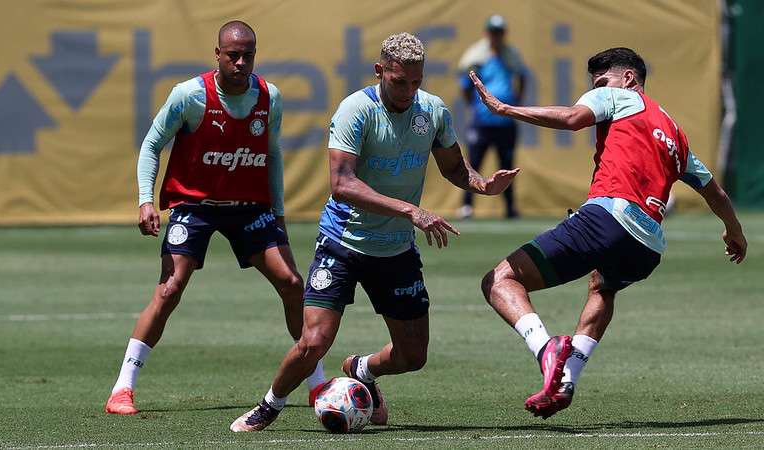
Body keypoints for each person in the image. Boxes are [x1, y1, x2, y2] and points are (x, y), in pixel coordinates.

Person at [230, 32, 519, 432]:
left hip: (396, 249)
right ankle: (269, 406)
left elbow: (453, 167)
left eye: (416, 82)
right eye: (399, 81)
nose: (408, 91)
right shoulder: (356, 111)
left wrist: (483, 185)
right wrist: (411, 210)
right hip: (342, 242)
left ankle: (360, 369)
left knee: (413, 355)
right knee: (314, 341)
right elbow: (342, 184)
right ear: (380, 70)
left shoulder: (432, 111)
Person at [471, 47, 747, 419]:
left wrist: (506, 110)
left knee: (500, 280)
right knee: (603, 286)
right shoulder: (675, 134)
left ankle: (546, 350)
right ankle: (566, 379)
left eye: (601, 81)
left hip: (609, 219)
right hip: (646, 247)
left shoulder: (619, 96)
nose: (597, 88)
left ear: (629, 79)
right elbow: (715, 192)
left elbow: (572, 119)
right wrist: (734, 231)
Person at [104, 20, 326, 415]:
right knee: (170, 289)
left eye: (248, 56)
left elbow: (272, 155)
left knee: (293, 284)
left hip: (249, 209)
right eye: (233, 55)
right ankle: (123, 388)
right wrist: (145, 200)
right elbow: (152, 144)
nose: (241, 63)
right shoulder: (189, 95)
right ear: (218, 55)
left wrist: (278, 213)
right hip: (195, 207)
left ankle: (317, 383)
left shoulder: (269, 97)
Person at [457, 14, 527, 219]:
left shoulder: (510, 55)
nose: (496, 36)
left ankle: (510, 207)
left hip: (505, 122)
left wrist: (517, 101)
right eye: (493, 32)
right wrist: (474, 105)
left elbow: (522, 76)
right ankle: (467, 206)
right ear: (487, 33)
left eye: (500, 32)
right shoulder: (477, 57)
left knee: (507, 166)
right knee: (474, 163)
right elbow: (465, 84)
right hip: (483, 122)